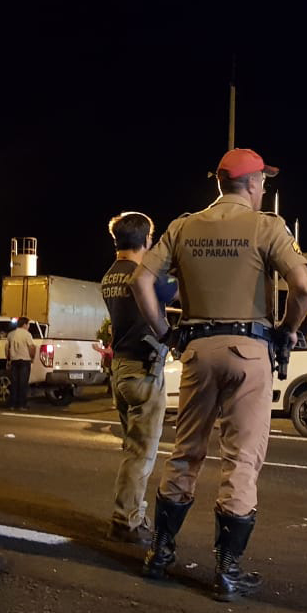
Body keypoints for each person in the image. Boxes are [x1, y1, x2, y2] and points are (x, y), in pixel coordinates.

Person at [130, 147, 307, 601]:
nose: (265, 187)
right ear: (252, 184)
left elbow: (140, 281)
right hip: (249, 351)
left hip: (197, 349)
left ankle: (161, 554)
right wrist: (287, 332)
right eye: (264, 181)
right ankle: (228, 571)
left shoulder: (183, 225)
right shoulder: (267, 226)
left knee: (185, 452)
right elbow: (305, 288)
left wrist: (165, 332)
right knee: (241, 460)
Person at [101, 211, 174, 545]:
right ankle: (126, 521)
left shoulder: (109, 276)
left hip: (119, 370)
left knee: (132, 448)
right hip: (143, 371)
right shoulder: (142, 275)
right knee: (141, 452)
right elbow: (172, 292)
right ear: (146, 240)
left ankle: (131, 512)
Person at [6, 316, 37, 410]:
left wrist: (8, 359)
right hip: (24, 361)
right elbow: (32, 347)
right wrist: (32, 357)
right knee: (23, 384)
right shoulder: (27, 334)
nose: (28, 326)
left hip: (14, 361)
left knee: (14, 383)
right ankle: (22, 405)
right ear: (24, 324)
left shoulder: (11, 334)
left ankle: (12, 405)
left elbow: (7, 348)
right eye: (28, 324)